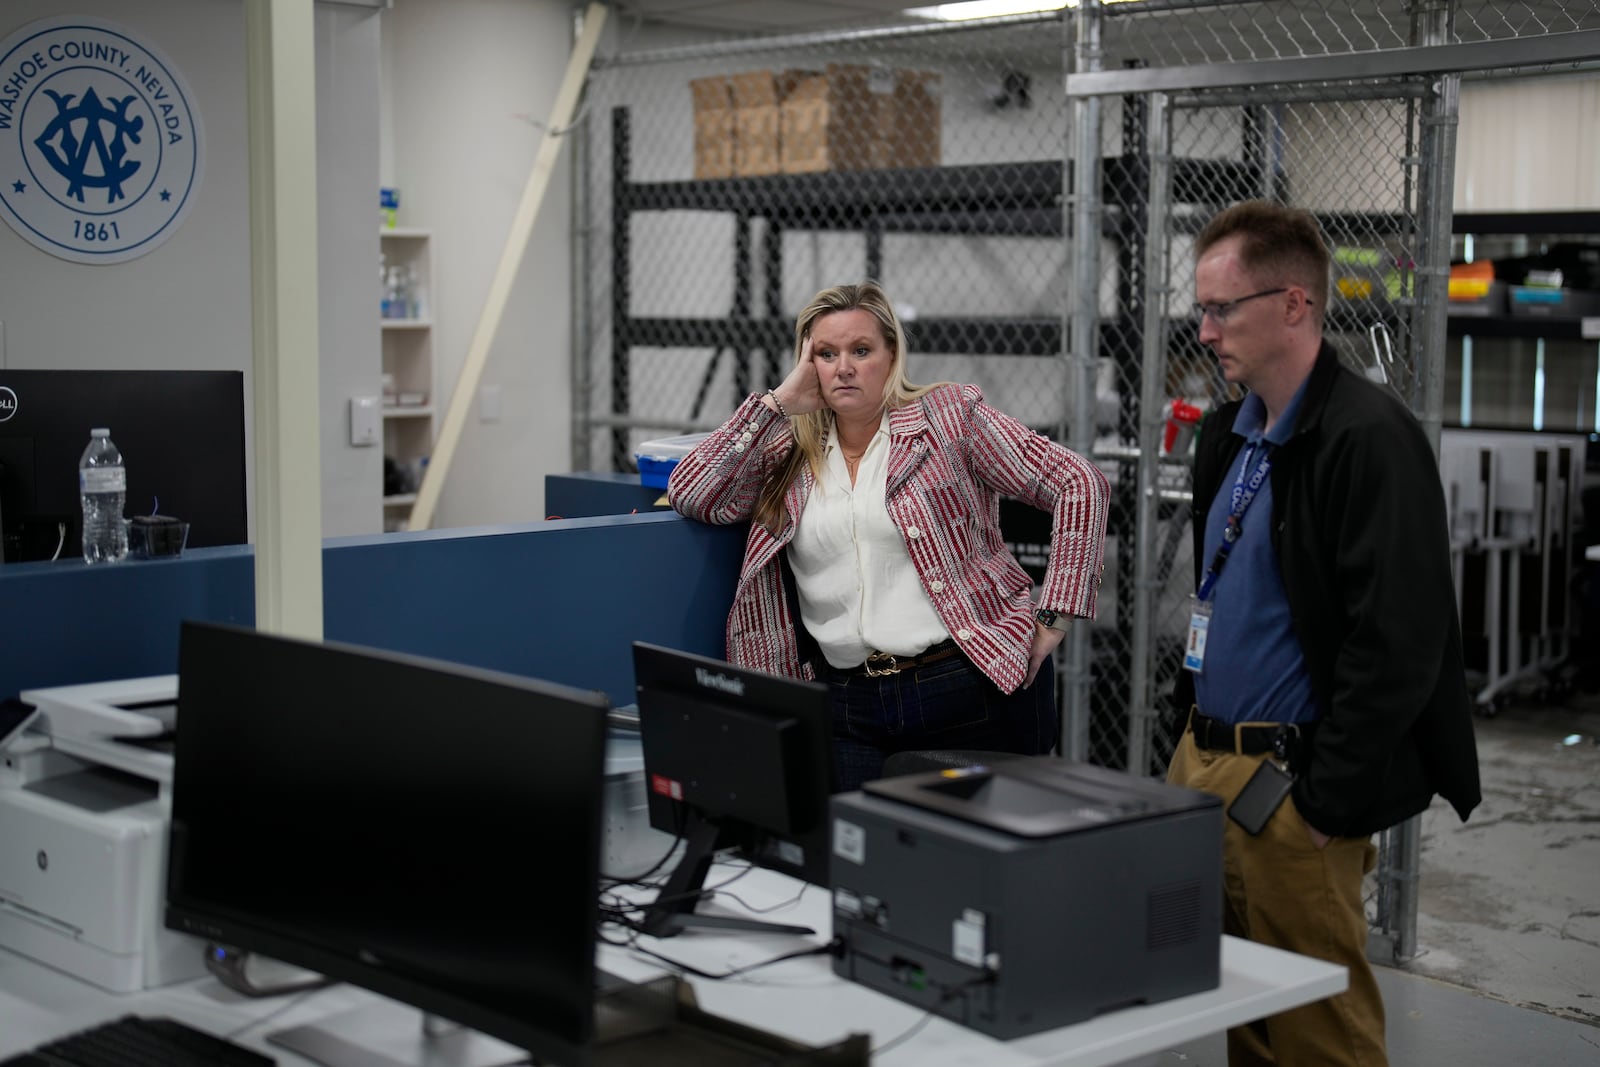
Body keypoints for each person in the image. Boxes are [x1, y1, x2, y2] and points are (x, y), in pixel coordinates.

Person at [1169, 200, 1481, 1067]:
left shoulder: (1368, 439)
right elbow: (1221, 594)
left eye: (1223, 308)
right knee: (1246, 1019)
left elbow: (1401, 641)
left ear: (1296, 305)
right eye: (1202, 309)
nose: (1205, 330)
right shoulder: (1228, 438)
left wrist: (1326, 803)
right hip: (1209, 765)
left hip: (1293, 783)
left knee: (1318, 1036)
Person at [668, 281, 1110, 791]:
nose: (844, 367)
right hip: (846, 702)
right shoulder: (784, 451)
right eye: (826, 354)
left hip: (966, 685)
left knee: (971, 863)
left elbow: (1079, 482)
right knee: (855, 860)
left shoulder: (948, 420)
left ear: (892, 354)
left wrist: (1056, 612)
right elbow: (692, 492)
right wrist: (777, 402)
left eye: (861, 350)